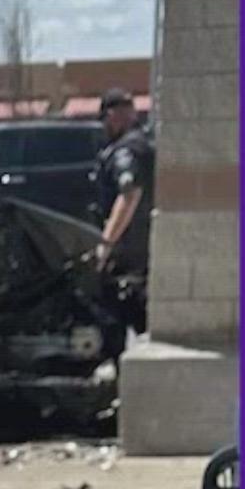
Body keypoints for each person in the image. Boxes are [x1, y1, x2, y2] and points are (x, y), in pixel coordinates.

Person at [92, 88, 155, 332]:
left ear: (113, 115)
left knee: (114, 303)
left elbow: (129, 193)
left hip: (128, 246)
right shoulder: (146, 142)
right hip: (145, 240)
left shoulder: (124, 151)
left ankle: (117, 361)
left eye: (106, 119)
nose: (104, 126)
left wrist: (106, 243)